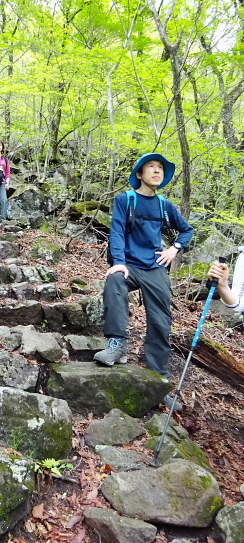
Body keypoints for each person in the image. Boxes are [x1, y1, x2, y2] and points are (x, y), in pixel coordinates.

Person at [93, 152, 194, 409]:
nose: (157, 171)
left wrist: (174, 249)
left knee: (161, 321)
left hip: (155, 267)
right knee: (115, 281)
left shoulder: (164, 205)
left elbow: (187, 230)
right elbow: (116, 231)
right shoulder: (125, 200)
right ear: (140, 174)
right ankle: (117, 344)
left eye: (160, 168)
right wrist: (118, 262)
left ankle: (159, 382)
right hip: (129, 264)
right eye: (151, 167)